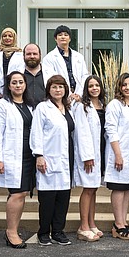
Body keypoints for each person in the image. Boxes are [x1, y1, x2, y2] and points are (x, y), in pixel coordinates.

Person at [31, 75, 93, 246]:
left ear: (66, 89)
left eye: (61, 87)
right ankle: (44, 232)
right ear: (48, 90)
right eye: (54, 87)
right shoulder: (43, 108)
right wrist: (39, 155)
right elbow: (36, 132)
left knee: (63, 197)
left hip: (67, 158)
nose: (58, 90)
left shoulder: (69, 109)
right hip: (48, 158)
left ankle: (58, 231)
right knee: (47, 198)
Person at [0, 72, 36, 249]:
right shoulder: (2, 105)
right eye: (14, 83)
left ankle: (14, 228)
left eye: (21, 82)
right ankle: (11, 232)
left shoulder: (30, 105)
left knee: (23, 193)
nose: (18, 85)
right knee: (16, 193)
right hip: (11, 155)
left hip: (28, 155)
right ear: (8, 86)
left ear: (25, 85)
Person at [104, 73, 129, 240]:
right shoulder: (114, 105)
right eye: (124, 85)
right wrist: (118, 155)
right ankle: (118, 224)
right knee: (119, 187)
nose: (127, 88)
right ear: (119, 87)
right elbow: (110, 129)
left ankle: (123, 222)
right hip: (119, 153)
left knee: (127, 189)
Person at [75, 75, 108, 242]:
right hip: (90, 154)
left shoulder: (103, 106)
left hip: (101, 151)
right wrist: (87, 156)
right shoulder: (83, 107)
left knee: (94, 188)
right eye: (91, 86)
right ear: (86, 89)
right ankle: (84, 227)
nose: (94, 88)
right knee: (88, 188)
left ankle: (92, 223)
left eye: (97, 85)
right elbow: (82, 133)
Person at [41, 25, 89, 101]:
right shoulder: (49, 58)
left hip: (79, 96)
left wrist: (79, 94)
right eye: (60, 35)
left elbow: (84, 76)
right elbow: (49, 79)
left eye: (66, 35)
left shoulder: (79, 56)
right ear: (55, 39)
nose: (63, 37)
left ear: (69, 39)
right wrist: (69, 94)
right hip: (61, 97)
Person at [0, 27, 25, 96]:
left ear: (14, 38)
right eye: (4, 36)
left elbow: (21, 72)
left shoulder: (20, 55)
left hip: (14, 88)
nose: (7, 38)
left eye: (10, 36)